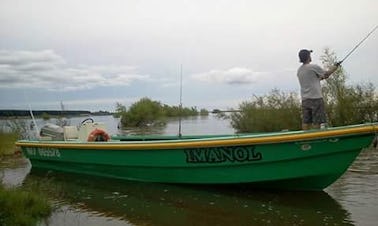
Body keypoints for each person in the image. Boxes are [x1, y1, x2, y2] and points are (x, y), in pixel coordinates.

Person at [297, 49, 339, 130]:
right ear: (308, 57)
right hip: (316, 98)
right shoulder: (313, 67)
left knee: (306, 121)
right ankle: (317, 138)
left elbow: (315, 79)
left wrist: (321, 77)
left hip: (305, 99)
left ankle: (305, 139)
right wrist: (335, 67)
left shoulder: (299, 70)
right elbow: (326, 74)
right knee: (317, 121)